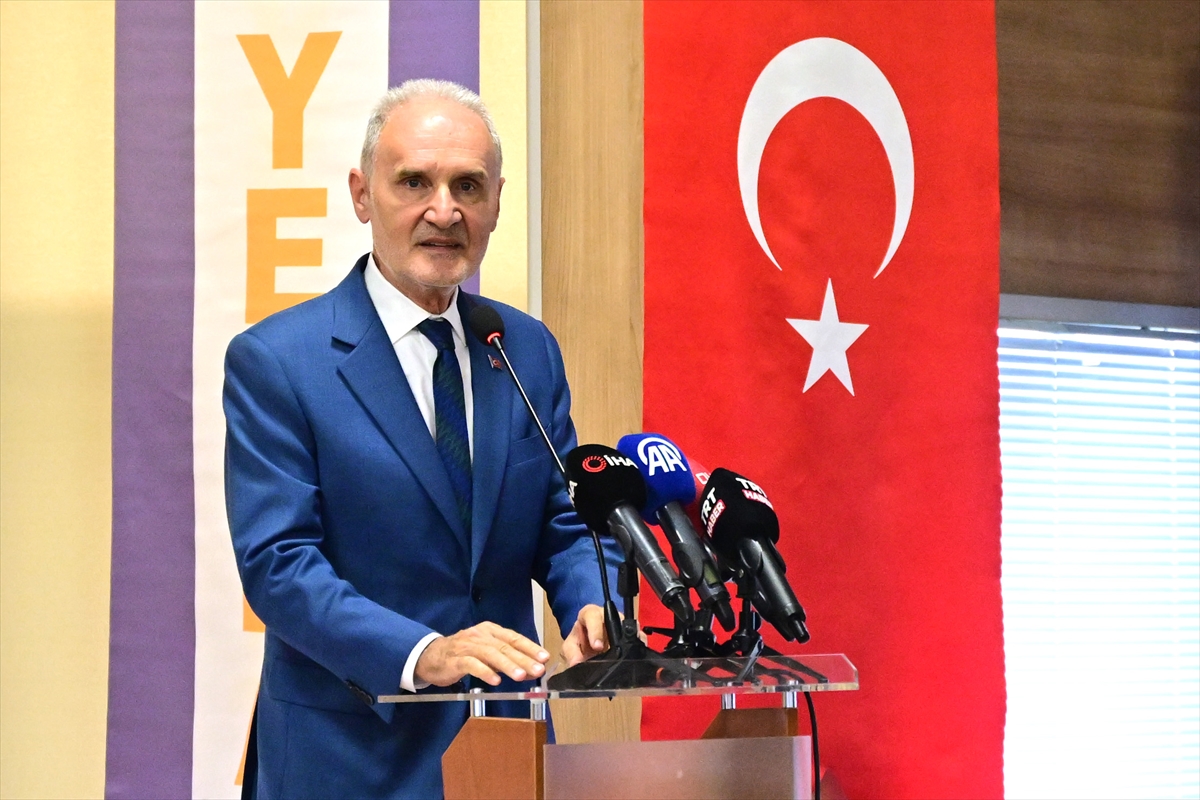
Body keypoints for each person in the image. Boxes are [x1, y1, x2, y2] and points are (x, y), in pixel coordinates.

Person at [224, 79, 620, 799]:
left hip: (504, 747)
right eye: (414, 182)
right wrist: (423, 652)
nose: (445, 211)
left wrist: (593, 601)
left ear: (496, 201)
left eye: (468, 186)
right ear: (362, 195)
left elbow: (567, 520)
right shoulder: (279, 360)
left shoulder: (524, 349)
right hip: (347, 757)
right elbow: (279, 566)